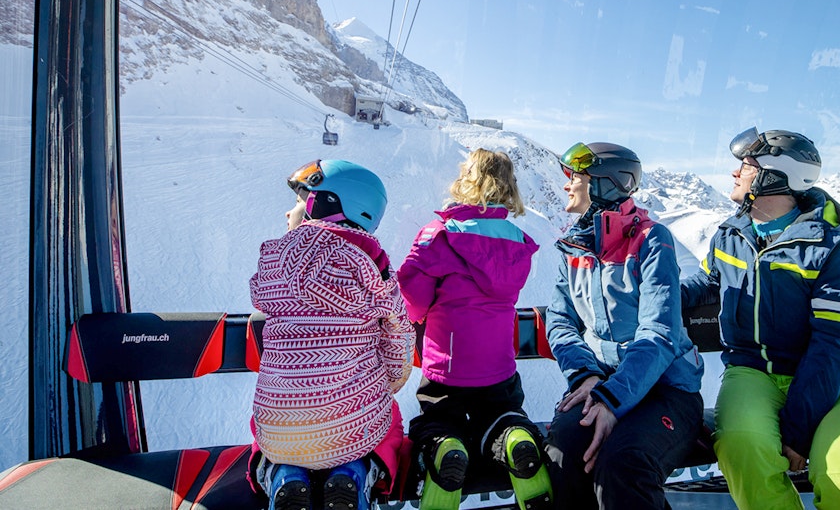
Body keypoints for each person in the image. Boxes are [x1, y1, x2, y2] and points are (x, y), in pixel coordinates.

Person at [680, 127, 840, 510]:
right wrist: (662, 295)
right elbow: (708, 279)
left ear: (772, 177)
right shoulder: (731, 235)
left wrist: (798, 430)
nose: (735, 174)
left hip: (836, 379)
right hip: (754, 372)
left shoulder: (830, 251)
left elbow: (835, 344)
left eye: (745, 166)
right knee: (742, 449)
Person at [543, 142, 705, 510]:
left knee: (623, 463)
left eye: (576, 176)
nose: (567, 184)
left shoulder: (651, 241)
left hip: (666, 391)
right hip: (599, 382)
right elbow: (560, 320)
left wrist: (612, 400)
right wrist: (585, 376)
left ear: (605, 183)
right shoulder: (574, 247)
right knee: (562, 452)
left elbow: (658, 335)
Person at [249, 159, 415, 510]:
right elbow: (399, 340)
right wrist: (384, 383)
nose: (287, 212)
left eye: (298, 201)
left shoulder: (272, 261)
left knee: (269, 429)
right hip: (350, 426)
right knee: (388, 418)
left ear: (322, 203)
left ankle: (284, 478)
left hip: (281, 424)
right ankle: (354, 474)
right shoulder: (376, 269)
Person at [397, 149, 549, 510]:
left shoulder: (440, 235)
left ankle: (444, 446)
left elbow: (412, 298)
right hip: (498, 366)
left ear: (468, 181)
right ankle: (514, 436)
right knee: (500, 417)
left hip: (447, 368)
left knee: (436, 421)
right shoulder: (516, 241)